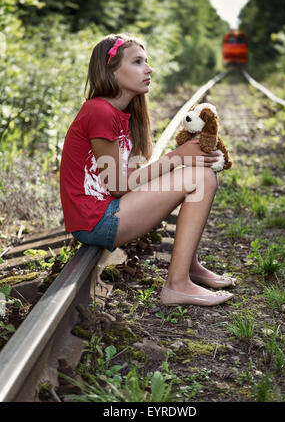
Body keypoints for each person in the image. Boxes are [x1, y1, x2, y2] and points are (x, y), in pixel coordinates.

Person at [60, 33, 236, 307]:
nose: (148, 68)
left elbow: (135, 173)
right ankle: (177, 285)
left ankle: (189, 266)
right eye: (138, 62)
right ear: (112, 71)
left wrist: (183, 157)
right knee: (200, 177)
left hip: (111, 209)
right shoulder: (99, 112)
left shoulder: (122, 113)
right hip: (96, 219)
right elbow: (119, 184)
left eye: (147, 61)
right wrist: (177, 157)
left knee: (200, 173)